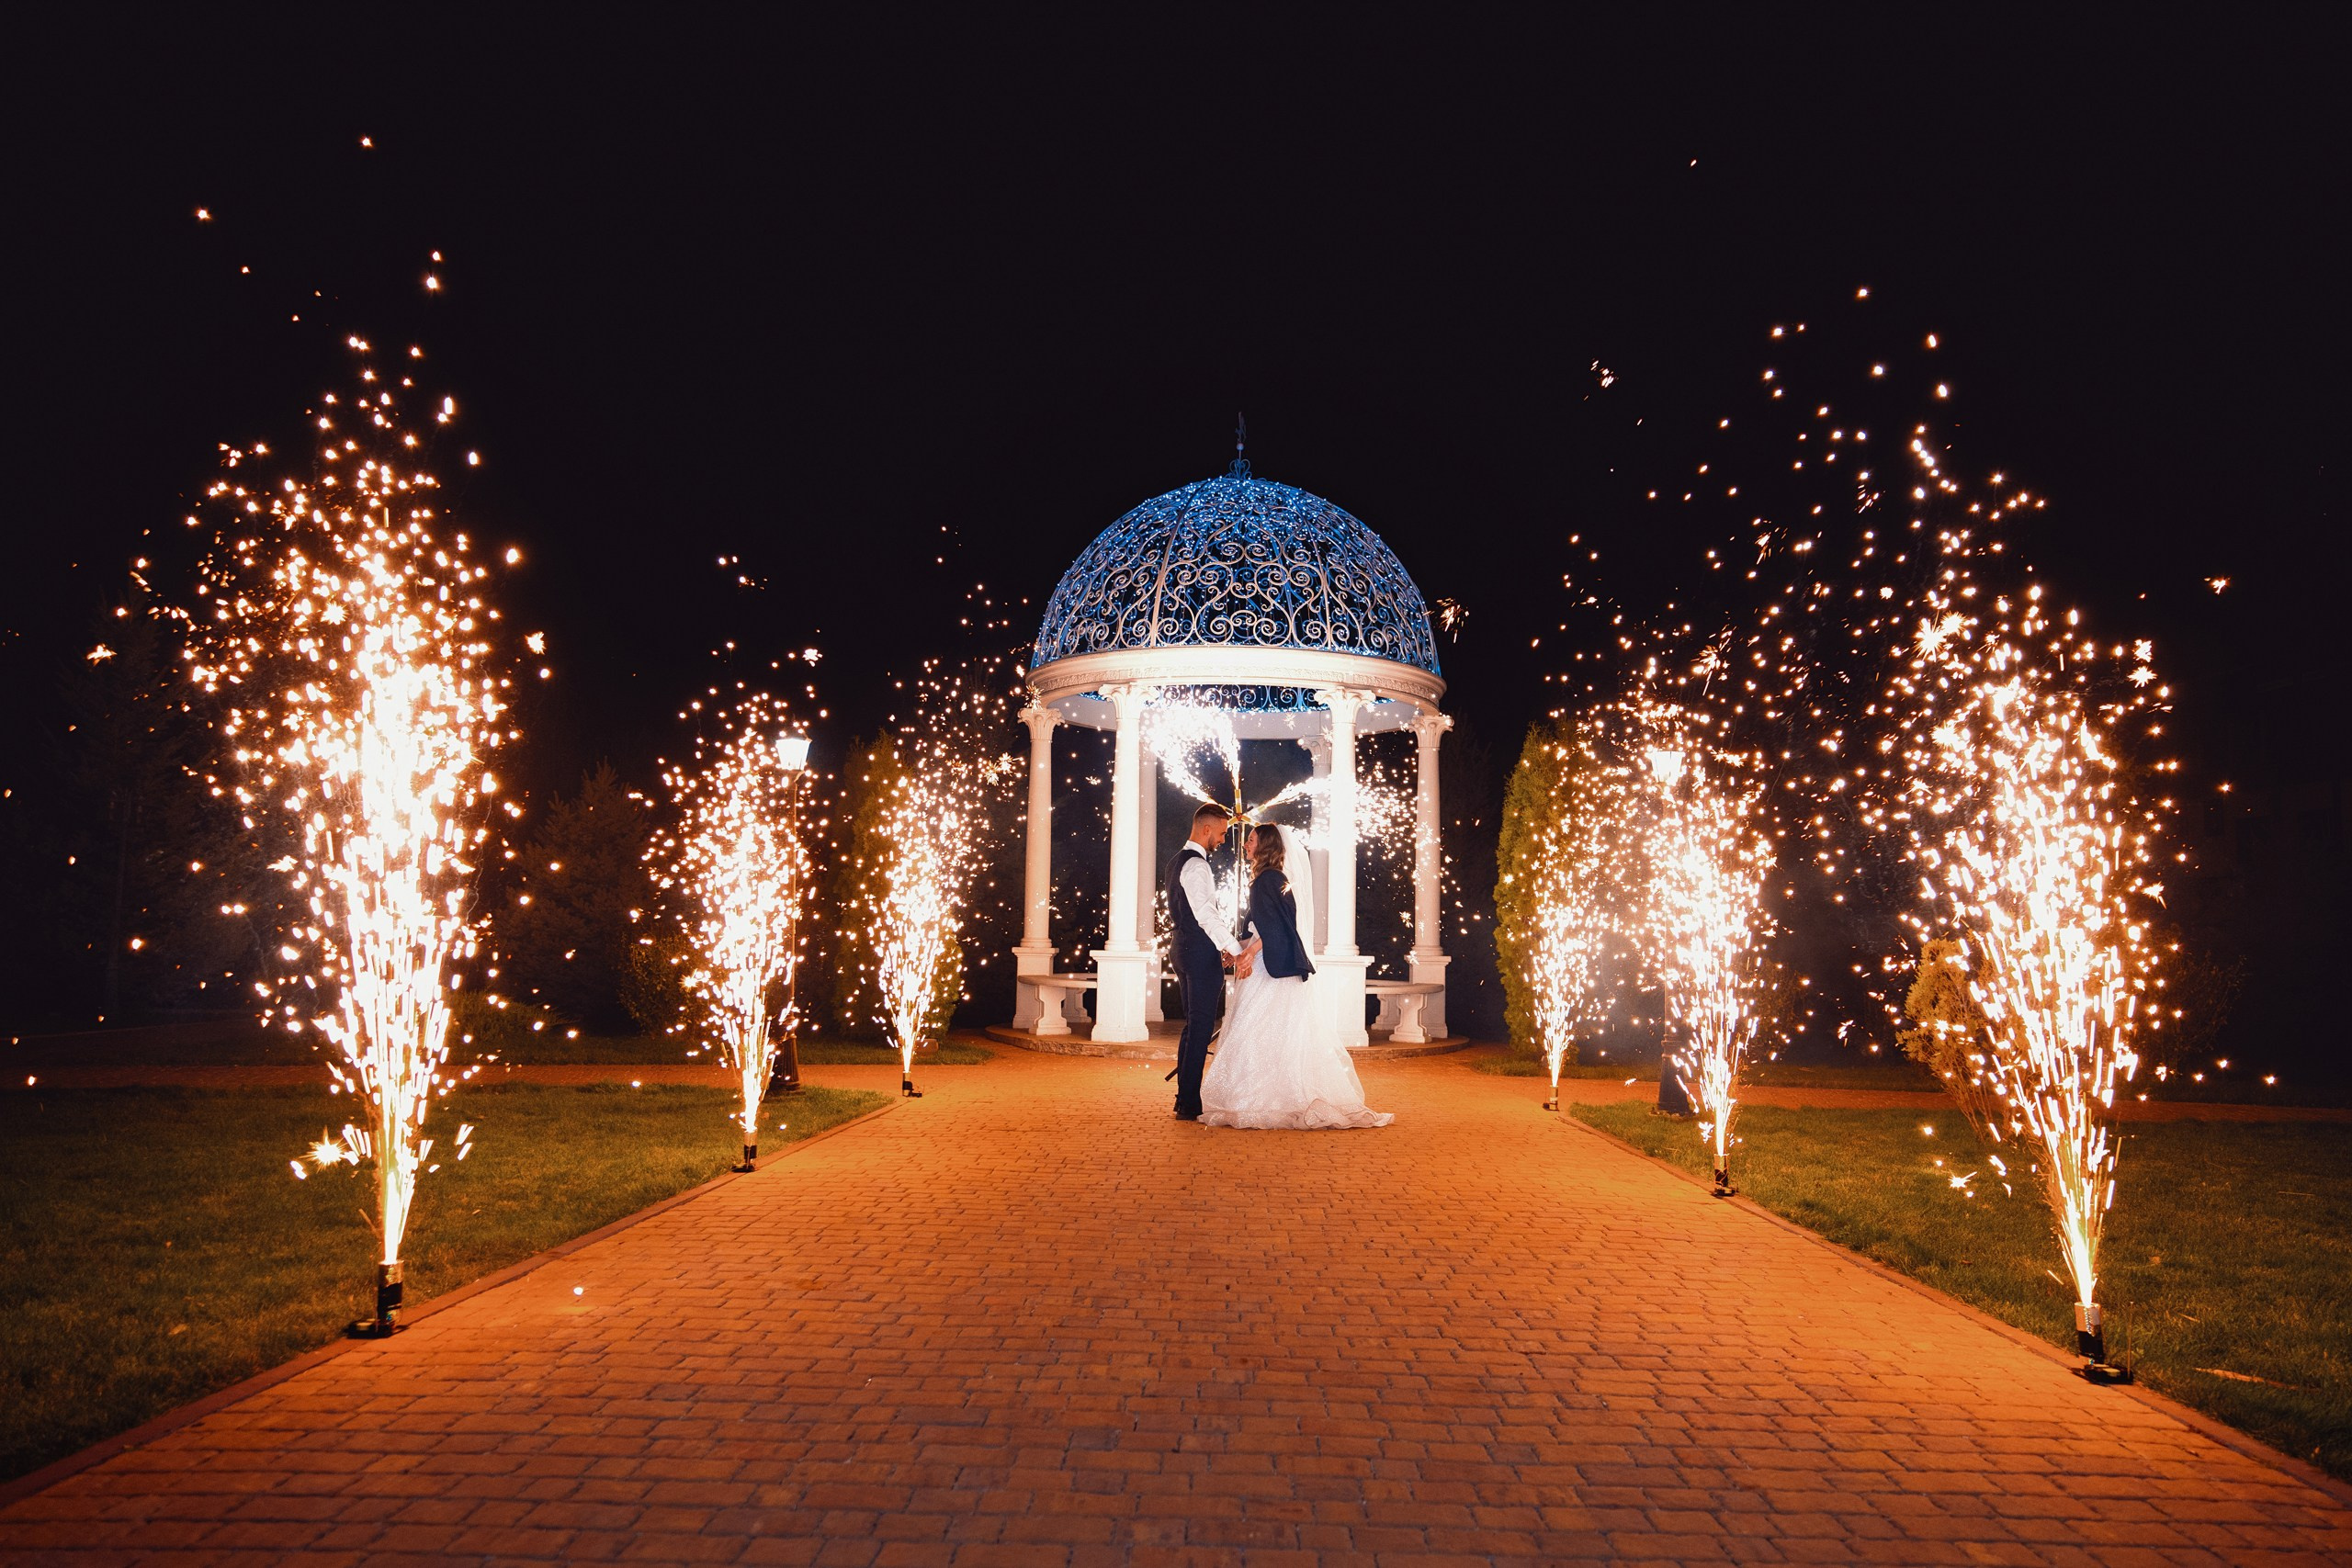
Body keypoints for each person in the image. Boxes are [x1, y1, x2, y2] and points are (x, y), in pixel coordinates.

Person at [1200, 823, 1393, 1130]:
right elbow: (1266, 926)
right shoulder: (1273, 879)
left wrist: (1249, 953)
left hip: (1269, 966)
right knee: (1274, 1028)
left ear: (1265, 847)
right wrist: (1240, 949)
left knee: (1260, 1025)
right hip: (1275, 961)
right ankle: (1270, 1097)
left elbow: (1276, 927)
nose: (1245, 845)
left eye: (1250, 841)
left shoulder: (1268, 880)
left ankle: (1261, 1100)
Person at [1166, 801, 1254, 1120]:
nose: (1222, 839)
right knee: (1200, 1027)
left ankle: (1184, 1099)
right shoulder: (1197, 866)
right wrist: (1236, 948)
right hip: (1198, 952)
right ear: (1206, 829)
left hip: (1181, 947)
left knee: (1193, 1027)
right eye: (1220, 833)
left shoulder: (1176, 861)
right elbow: (1206, 915)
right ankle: (1189, 1104)